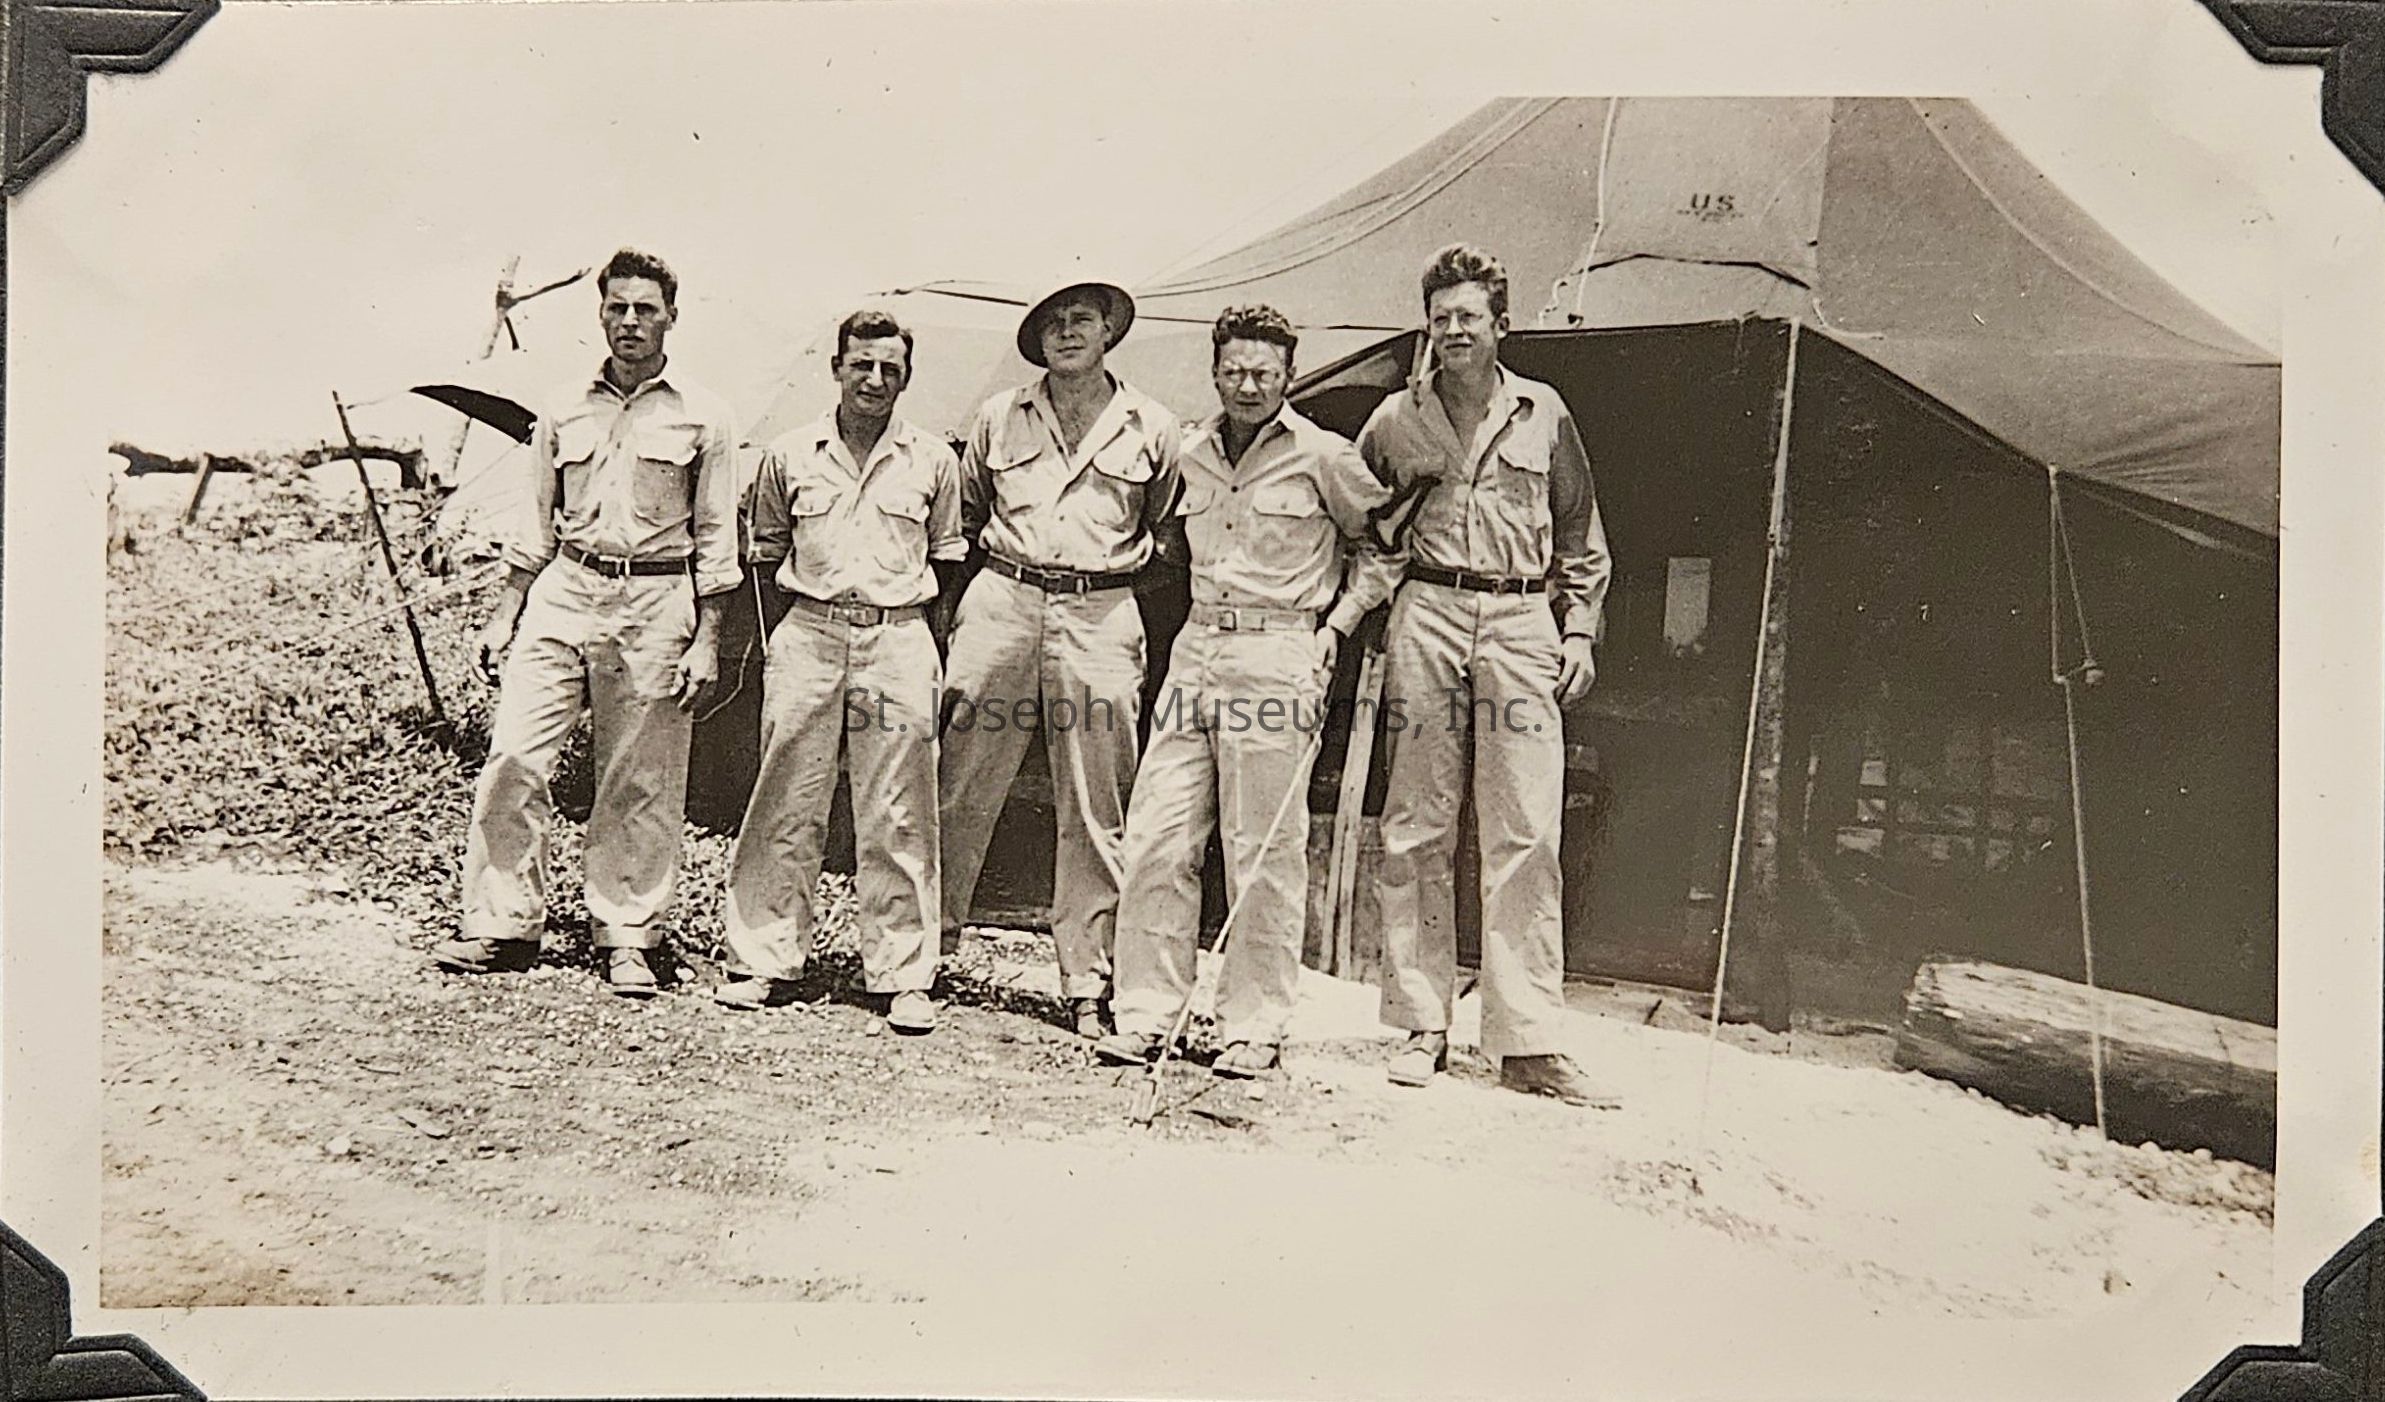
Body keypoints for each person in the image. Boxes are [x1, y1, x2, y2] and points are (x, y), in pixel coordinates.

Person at [1093, 305, 1395, 1077]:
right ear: (1215, 373)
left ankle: (1253, 1026)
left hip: (1279, 649)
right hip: (1197, 647)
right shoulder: (1189, 452)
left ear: (1288, 375)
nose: (1248, 386)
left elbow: (1382, 549)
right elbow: (1166, 542)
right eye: (1234, 371)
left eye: (1263, 372)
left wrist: (1335, 628)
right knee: (1159, 835)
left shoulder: (1323, 456)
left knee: (1261, 849)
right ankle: (1145, 1014)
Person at [432, 247, 740, 998]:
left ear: (672, 317)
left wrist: (707, 640)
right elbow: (535, 524)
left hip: (657, 599)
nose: (630, 321)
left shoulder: (704, 414)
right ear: (600, 314)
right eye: (617, 307)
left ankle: (628, 934)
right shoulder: (562, 407)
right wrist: (504, 615)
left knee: (640, 779)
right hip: (566, 590)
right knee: (515, 756)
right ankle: (503, 923)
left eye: (645, 309)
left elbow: (716, 542)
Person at [1357, 244, 1617, 1106]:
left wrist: (1577, 632)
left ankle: (1527, 1041)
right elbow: (1361, 522)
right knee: (1416, 823)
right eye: (1440, 318)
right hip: (1428, 610)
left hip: (1518, 616)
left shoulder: (1544, 412)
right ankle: (1420, 1024)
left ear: (1500, 325)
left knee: (1525, 829)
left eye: (1469, 316)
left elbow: (1579, 533)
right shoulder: (1395, 419)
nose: (1454, 331)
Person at [939, 279, 1183, 1038]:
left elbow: (1164, 529)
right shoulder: (997, 416)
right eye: (1052, 323)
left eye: (1082, 319)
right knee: (959, 778)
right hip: (1004, 597)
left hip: (1100, 608)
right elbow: (966, 511)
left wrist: (1105, 589)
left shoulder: (1153, 425)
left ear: (1109, 331)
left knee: (1097, 798)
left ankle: (1088, 978)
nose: (1067, 332)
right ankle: (920, 951)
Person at [711, 311, 963, 1033]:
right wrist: (792, 638)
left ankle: (902, 974)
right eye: (861, 365)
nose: (874, 380)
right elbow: (765, 552)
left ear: (906, 378)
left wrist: (918, 643)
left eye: (889, 369)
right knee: (786, 799)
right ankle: (764, 957)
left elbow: (947, 558)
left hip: (897, 635)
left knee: (899, 809)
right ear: (837, 369)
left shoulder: (932, 460)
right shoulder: (790, 453)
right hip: (811, 632)